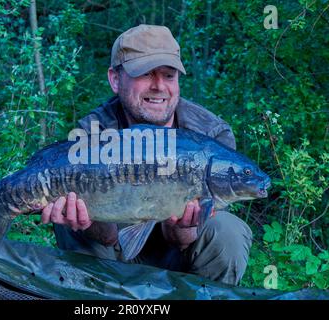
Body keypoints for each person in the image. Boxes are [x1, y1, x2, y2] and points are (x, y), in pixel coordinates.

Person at [40, 24, 252, 286]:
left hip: (180, 260)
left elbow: (186, 238)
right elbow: (107, 238)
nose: (159, 86)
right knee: (70, 210)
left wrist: (181, 226)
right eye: (146, 74)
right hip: (111, 255)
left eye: (168, 75)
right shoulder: (92, 134)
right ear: (115, 79)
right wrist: (87, 221)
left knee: (228, 230)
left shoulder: (212, 135)